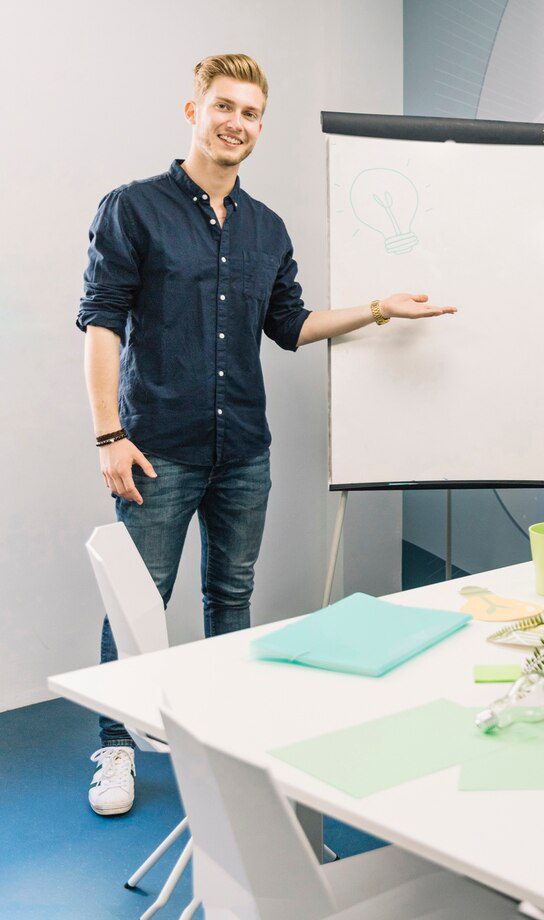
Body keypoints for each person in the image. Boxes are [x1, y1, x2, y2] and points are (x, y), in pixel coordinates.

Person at [76, 54, 455, 815]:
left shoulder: (267, 229)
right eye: (224, 106)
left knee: (232, 592)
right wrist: (107, 435)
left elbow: (291, 325)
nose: (236, 124)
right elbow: (100, 324)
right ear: (194, 111)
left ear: (260, 126)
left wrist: (378, 308)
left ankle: (225, 736)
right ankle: (115, 746)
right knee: (139, 598)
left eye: (251, 114)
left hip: (245, 450)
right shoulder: (134, 209)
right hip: (158, 448)